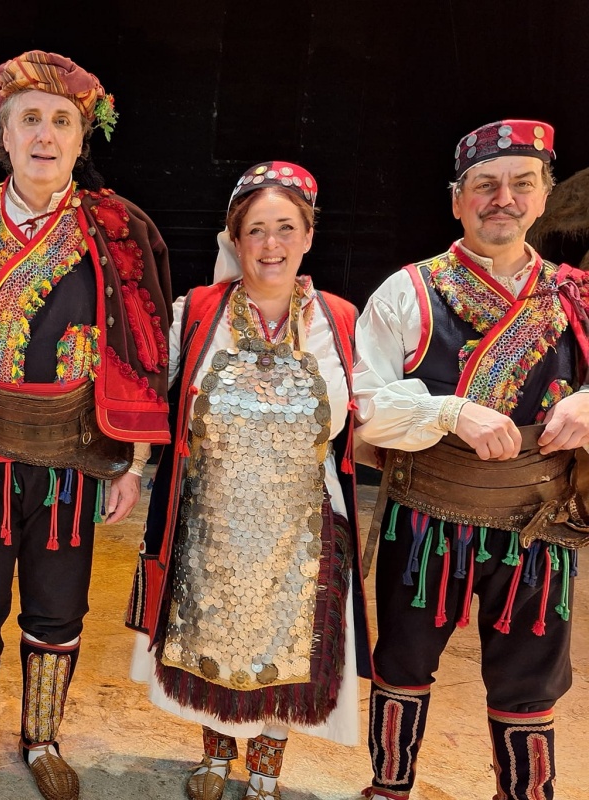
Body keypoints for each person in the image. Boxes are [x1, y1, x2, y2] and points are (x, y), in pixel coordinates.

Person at [0, 50, 173, 800]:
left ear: (83, 139)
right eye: (30, 119)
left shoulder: (115, 226)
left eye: (62, 121)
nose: (45, 135)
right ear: (5, 133)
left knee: (58, 606)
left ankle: (42, 740)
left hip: (72, 461)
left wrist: (131, 463)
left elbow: (142, 349)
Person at [354, 120, 587, 800]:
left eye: (521, 184)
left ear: (544, 197)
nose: (503, 199)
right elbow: (365, 404)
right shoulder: (408, 291)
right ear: (457, 200)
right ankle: (389, 788)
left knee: (529, 678)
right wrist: (450, 412)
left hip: (539, 524)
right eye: (485, 185)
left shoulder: (577, 298)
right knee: (403, 661)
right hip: (426, 514)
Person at [127, 163, 365, 800]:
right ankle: (214, 757)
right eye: (255, 229)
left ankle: (266, 769)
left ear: (308, 235)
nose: (271, 244)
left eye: (286, 227)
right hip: (213, 517)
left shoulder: (341, 322)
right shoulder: (198, 313)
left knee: (285, 648)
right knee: (213, 634)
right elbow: (147, 390)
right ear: (235, 240)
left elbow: (372, 408)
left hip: (300, 525)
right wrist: (131, 464)